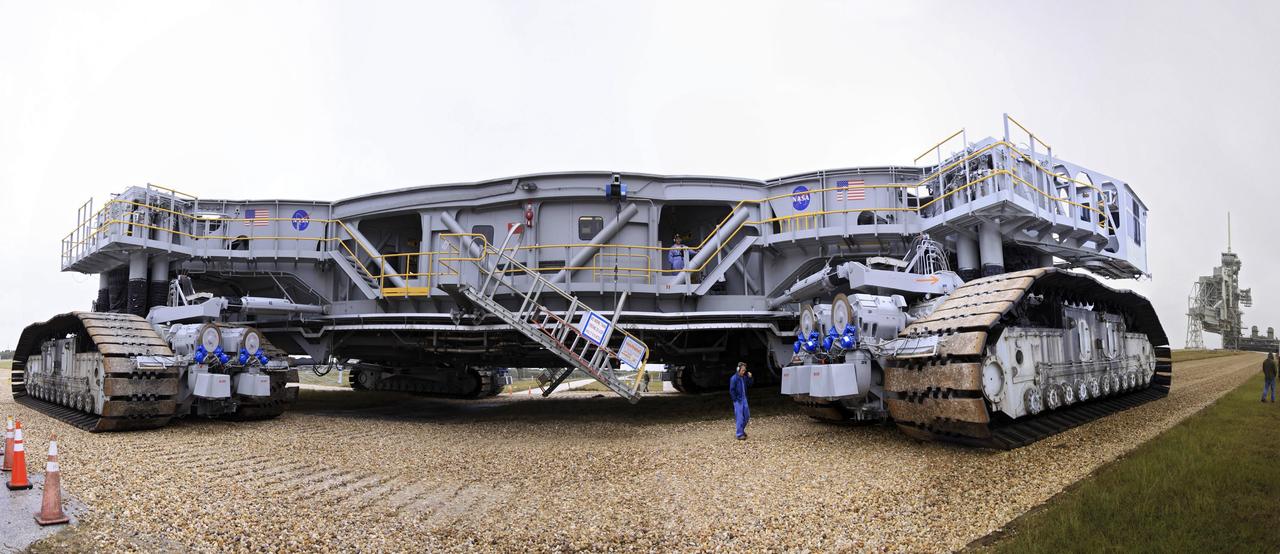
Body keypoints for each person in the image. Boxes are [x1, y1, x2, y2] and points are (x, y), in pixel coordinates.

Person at [729, 362, 753, 440]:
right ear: (738, 369)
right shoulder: (734, 378)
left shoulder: (744, 377)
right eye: (742, 370)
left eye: (744, 370)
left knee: (747, 415)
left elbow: (750, 384)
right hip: (738, 400)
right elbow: (732, 390)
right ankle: (739, 434)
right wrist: (735, 400)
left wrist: (750, 377)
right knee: (740, 417)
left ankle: (741, 430)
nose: (744, 372)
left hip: (744, 399)